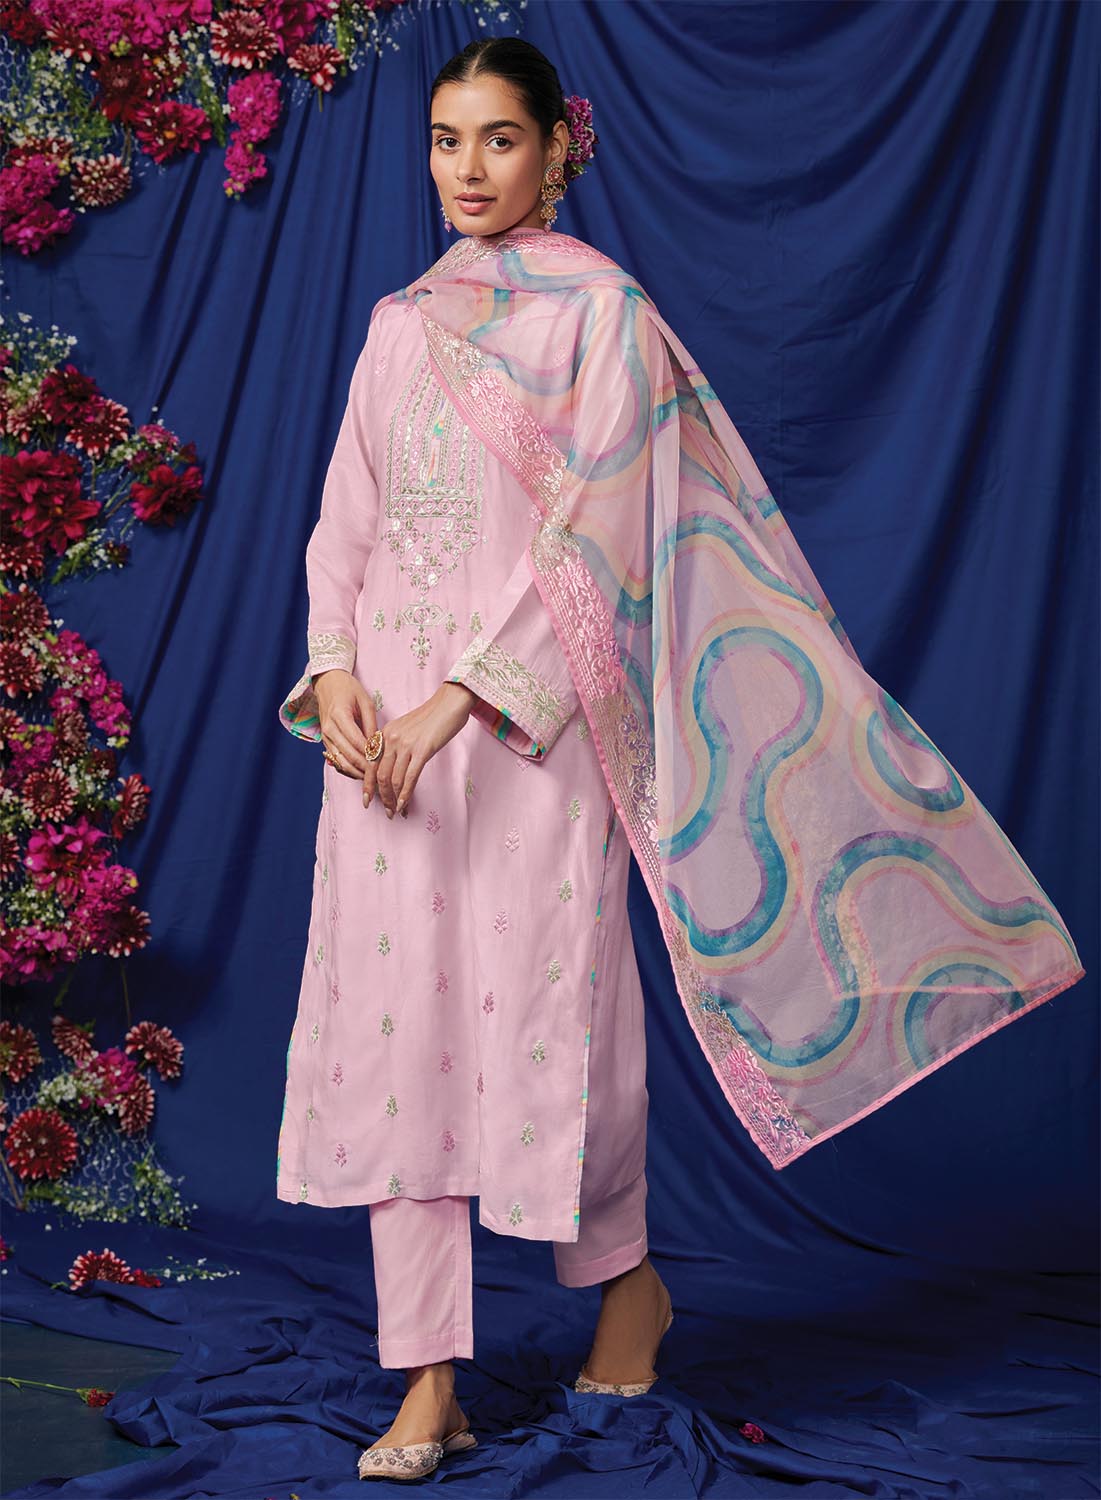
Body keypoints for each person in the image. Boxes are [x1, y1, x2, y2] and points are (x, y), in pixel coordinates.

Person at [276, 36, 1085, 1484]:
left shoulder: (605, 318)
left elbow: (601, 542)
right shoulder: (404, 323)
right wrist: (336, 675)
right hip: (382, 743)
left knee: (553, 1028)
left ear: (557, 150)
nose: (469, 169)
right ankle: (427, 1383)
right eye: (448, 140)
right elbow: (348, 520)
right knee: (397, 1043)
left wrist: (456, 702)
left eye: (500, 139)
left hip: (520, 732)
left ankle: (626, 1286)